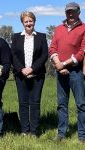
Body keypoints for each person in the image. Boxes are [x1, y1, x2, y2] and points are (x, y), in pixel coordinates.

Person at [49, 2, 85, 142]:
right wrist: (57, 63)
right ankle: (61, 134)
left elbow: (82, 53)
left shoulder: (83, 28)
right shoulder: (58, 29)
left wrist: (63, 64)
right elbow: (52, 47)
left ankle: (82, 135)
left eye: (73, 11)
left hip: (76, 72)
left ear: (78, 12)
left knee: (81, 105)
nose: (70, 14)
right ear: (65, 13)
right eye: (68, 12)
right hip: (60, 72)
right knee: (61, 104)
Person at [11, 11, 48, 136]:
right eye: (26, 21)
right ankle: (24, 130)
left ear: (34, 21)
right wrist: (22, 69)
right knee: (23, 103)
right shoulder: (16, 37)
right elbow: (13, 55)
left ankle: (34, 131)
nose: (28, 23)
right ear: (22, 23)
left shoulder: (42, 36)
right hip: (20, 75)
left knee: (35, 102)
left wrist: (32, 69)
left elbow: (44, 55)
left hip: (37, 75)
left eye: (30, 21)